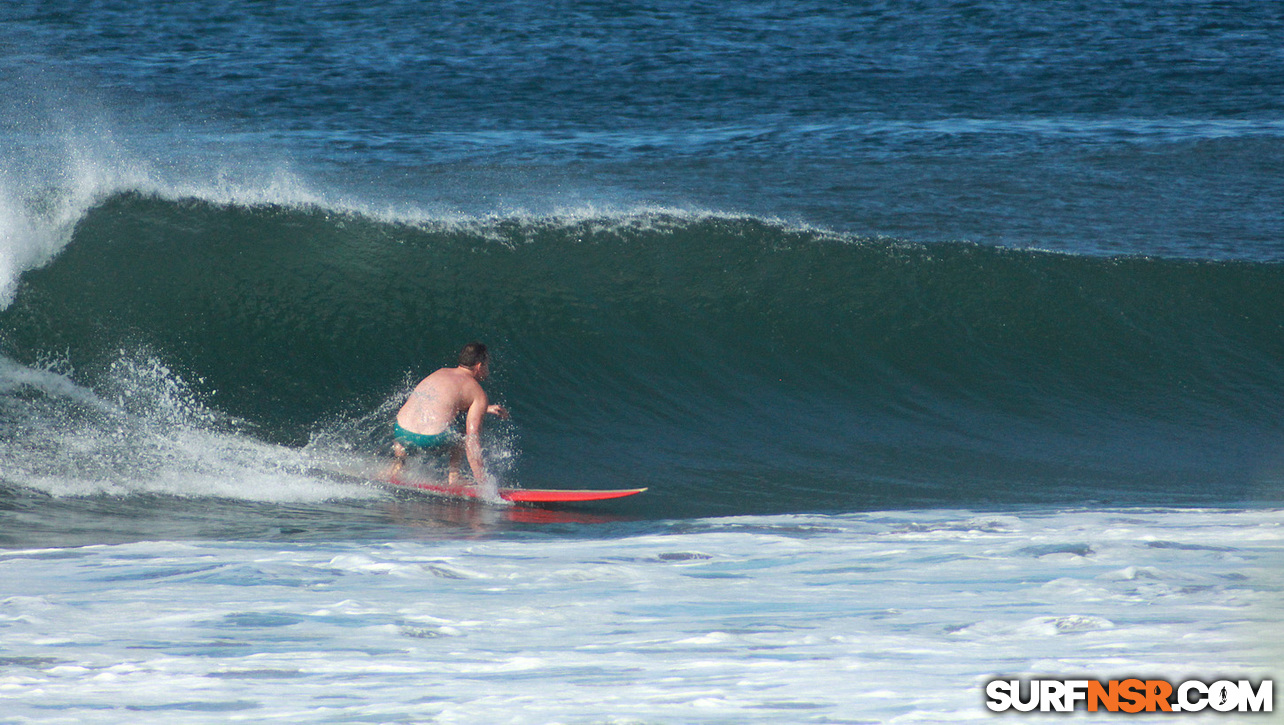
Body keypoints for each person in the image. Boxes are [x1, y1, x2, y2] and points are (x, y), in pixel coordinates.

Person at [389, 342, 509, 495]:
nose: (488, 370)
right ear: (479, 366)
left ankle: (396, 470)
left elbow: (440, 402)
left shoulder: (441, 372)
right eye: (487, 365)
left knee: (413, 417)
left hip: (401, 432)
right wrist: (484, 487)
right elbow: (472, 441)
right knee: (461, 434)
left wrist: (485, 408)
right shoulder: (477, 392)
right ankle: (454, 476)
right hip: (430, 438)